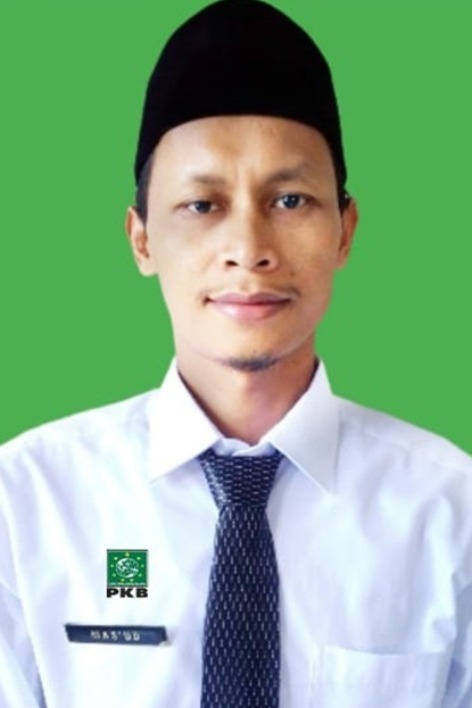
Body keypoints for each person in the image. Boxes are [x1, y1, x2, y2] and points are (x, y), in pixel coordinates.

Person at [1, 1, 472, 706]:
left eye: (290, 200)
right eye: (203, 205)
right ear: (142, 239)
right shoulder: (26, 504)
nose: (248, 249)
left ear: (345, 232)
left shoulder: (451, 510)